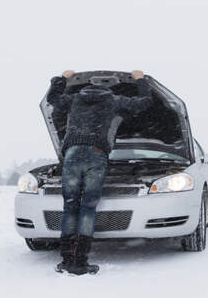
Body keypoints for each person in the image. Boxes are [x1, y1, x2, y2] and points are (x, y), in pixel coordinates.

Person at [46, 70, 153, 275]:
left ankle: (67, 260)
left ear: (86, 88)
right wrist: (141, 80)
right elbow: (144, 102)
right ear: (107, 90)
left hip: (72, 152)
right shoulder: (114, 100)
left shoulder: (74, 99)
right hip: (96, 153)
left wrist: (62, 78)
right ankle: (81, 261)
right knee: (87, 207)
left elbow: (52, 98)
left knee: (70, 205)